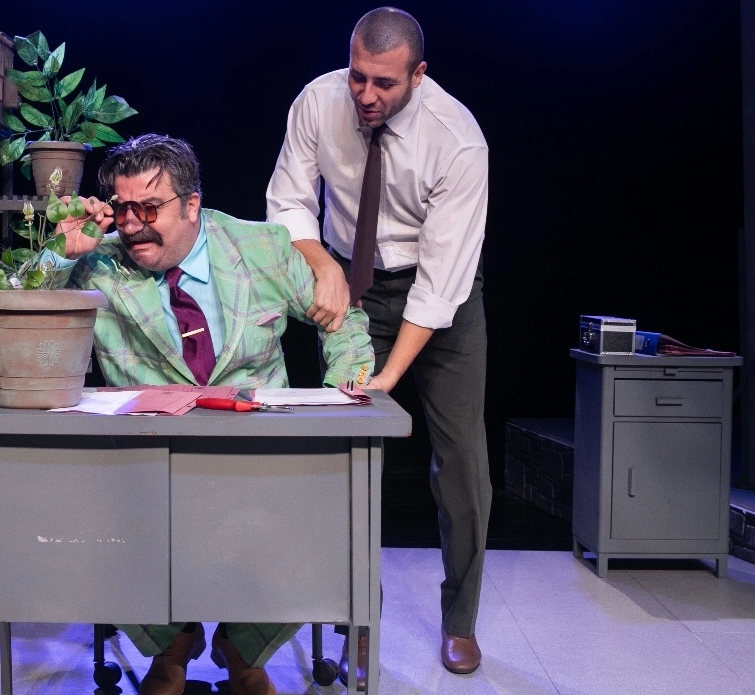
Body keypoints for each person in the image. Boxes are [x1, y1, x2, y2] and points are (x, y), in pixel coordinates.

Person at [55, 134, 375, 695]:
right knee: (86, 512)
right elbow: (14, 302)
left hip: (260, 460)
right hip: (147, 464)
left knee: (326, 513)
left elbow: (342, 319)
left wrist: (342, 397)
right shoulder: (98, 262)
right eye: (123, 210)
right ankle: (171, 644)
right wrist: (60, 255)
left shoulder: (262, 248)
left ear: (191, 204)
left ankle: (242, 648)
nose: (132, 226)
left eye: (148, 209)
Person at [266, 5, 491, 678]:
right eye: (357, 76)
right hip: (351, 283)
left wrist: (388, 377)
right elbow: (288, 202)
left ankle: (460, 619)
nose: (365, 94)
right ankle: (357, 617)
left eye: (384, 83)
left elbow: (440, 282)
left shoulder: (457, 139)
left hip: (441, 296)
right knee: (349, 455)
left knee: (460, 461)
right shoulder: (317, 102)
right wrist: (324, 266)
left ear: (417, 75)